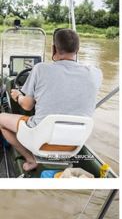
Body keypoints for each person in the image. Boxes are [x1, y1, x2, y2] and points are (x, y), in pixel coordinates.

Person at [0, 28, 102, 171]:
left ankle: (31, 160)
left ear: (54, 48)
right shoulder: (96, 73)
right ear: (78, 49)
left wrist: (18, 96)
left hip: (40, 138)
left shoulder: (40, 69)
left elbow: (28, 106)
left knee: (1, 120)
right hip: (74, 142)